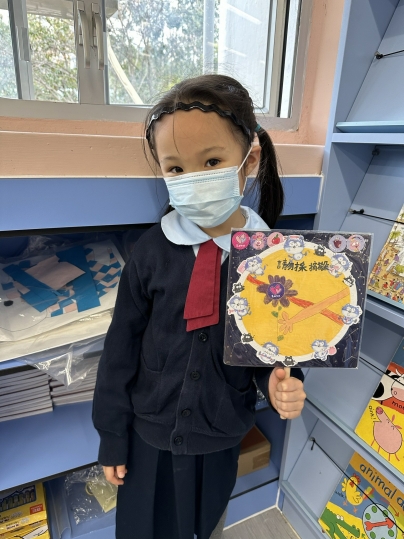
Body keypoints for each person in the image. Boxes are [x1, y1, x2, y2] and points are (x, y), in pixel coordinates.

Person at [92, 74, 307, 539]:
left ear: (249, 159)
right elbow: (120, 350)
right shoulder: (151, 252)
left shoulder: (275, 260)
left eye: (211, 161)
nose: (192, 179)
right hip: (146, 437)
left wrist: (278, 384)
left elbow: (274, 346)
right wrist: (112, 436)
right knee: (141, 528)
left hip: (220, 437)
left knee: (204, 527)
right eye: (175, 169)